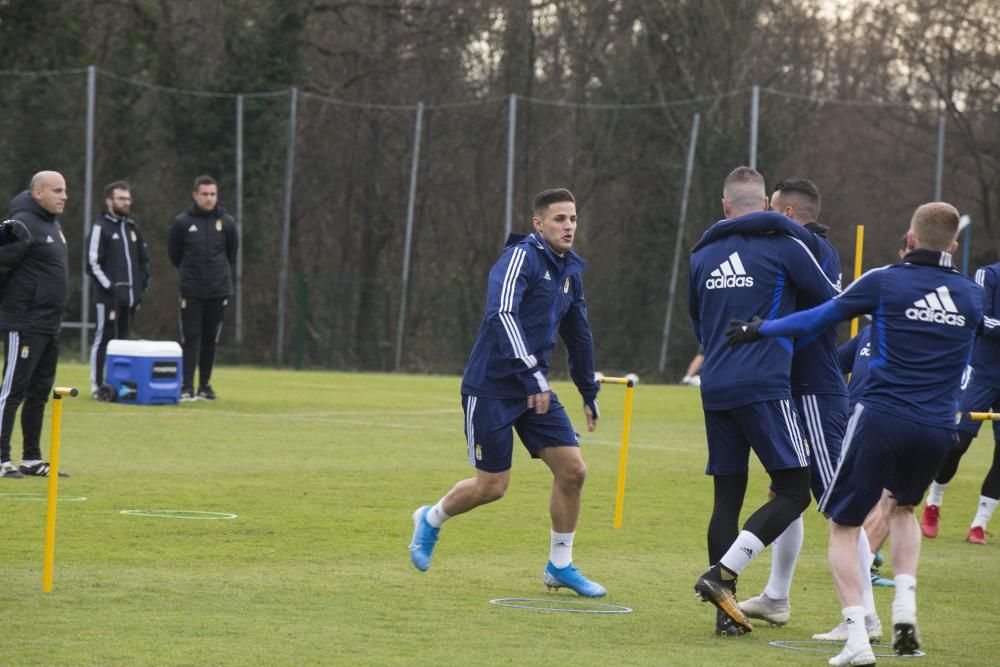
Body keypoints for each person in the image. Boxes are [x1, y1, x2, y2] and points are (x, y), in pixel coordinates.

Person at [727, 202, 982, 664]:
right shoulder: (972, 295)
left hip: (881, 417)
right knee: (903, 509)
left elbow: (819, 317)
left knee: (843, 526)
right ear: (954, 245)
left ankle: (858, 639)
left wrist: (761, 328)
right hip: (939, 425)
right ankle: (904, 607)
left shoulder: (884, 280)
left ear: (909, 237)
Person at [408, 188, 605, 597]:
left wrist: (588, 389)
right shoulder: (520, 258)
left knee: (574, 470)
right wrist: (532, 373)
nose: (568, 226)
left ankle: (560, 565)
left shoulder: (570, 272)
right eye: (559, 219)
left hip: (535, 390)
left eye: (572, 219)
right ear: (538, 224)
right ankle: (431, 519)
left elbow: (578, 333)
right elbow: (501, 314)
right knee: (492, 487)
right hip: (493, 388)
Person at [688, 167, 837, 636]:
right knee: (795, 488)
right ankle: (723, 576)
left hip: (715, 387)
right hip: (766, 387)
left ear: (726, 206)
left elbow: (700, 323)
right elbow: (832, 300)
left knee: (726, 497)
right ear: (766, 205)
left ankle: (725, 616)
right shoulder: (784, 244)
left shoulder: (702, 254)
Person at [735, 179, 875, 635]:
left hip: (814, 389)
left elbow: (815, 317)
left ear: (788, 214)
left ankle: (866, 614)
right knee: (787, 492)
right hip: (794, 390)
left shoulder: (809, 247)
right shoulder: (807, 248)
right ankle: (776, 597)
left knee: (839, 505)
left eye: (771, 212)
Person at [919, 257, 1000, 545]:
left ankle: (979, 525)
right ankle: (933, 503)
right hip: (982, 375)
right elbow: (981, 320)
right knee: (958, 443)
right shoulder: (988, 274)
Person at [0, 171, 70, 478]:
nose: (64, 196)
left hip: (49, 324)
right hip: (24, 322)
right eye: (57, 190)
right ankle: (1, 458)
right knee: (12, 391)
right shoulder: (20, 224)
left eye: (65, 190)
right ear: (38, 192)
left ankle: (31, 458)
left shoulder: (52, 224)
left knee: (39, 392)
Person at [168, 175, 238, 401]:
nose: (209, 199)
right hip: (192, 291)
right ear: (195, 195)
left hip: (218, 290)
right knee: (191, 338)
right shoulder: (182, 222)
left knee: (210, 339)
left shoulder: (226, 222)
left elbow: (231, 253)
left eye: (213, 194)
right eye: (205, 194)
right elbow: (174, 254)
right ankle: (186, 386)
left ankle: (205, 386)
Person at [87, 181, 150, 398]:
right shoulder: (100, 227)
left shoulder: (132, 228)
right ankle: (97, 385)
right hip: (108, 300)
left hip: (130, 299)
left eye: (128, 199)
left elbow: (143, 262)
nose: (125, 202)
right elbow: (92, 263)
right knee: (104, 339)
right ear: (109, 201)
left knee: (124, 343)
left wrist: (140, 289)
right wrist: (110, 288)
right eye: (121, 198)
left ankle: (120, 386)